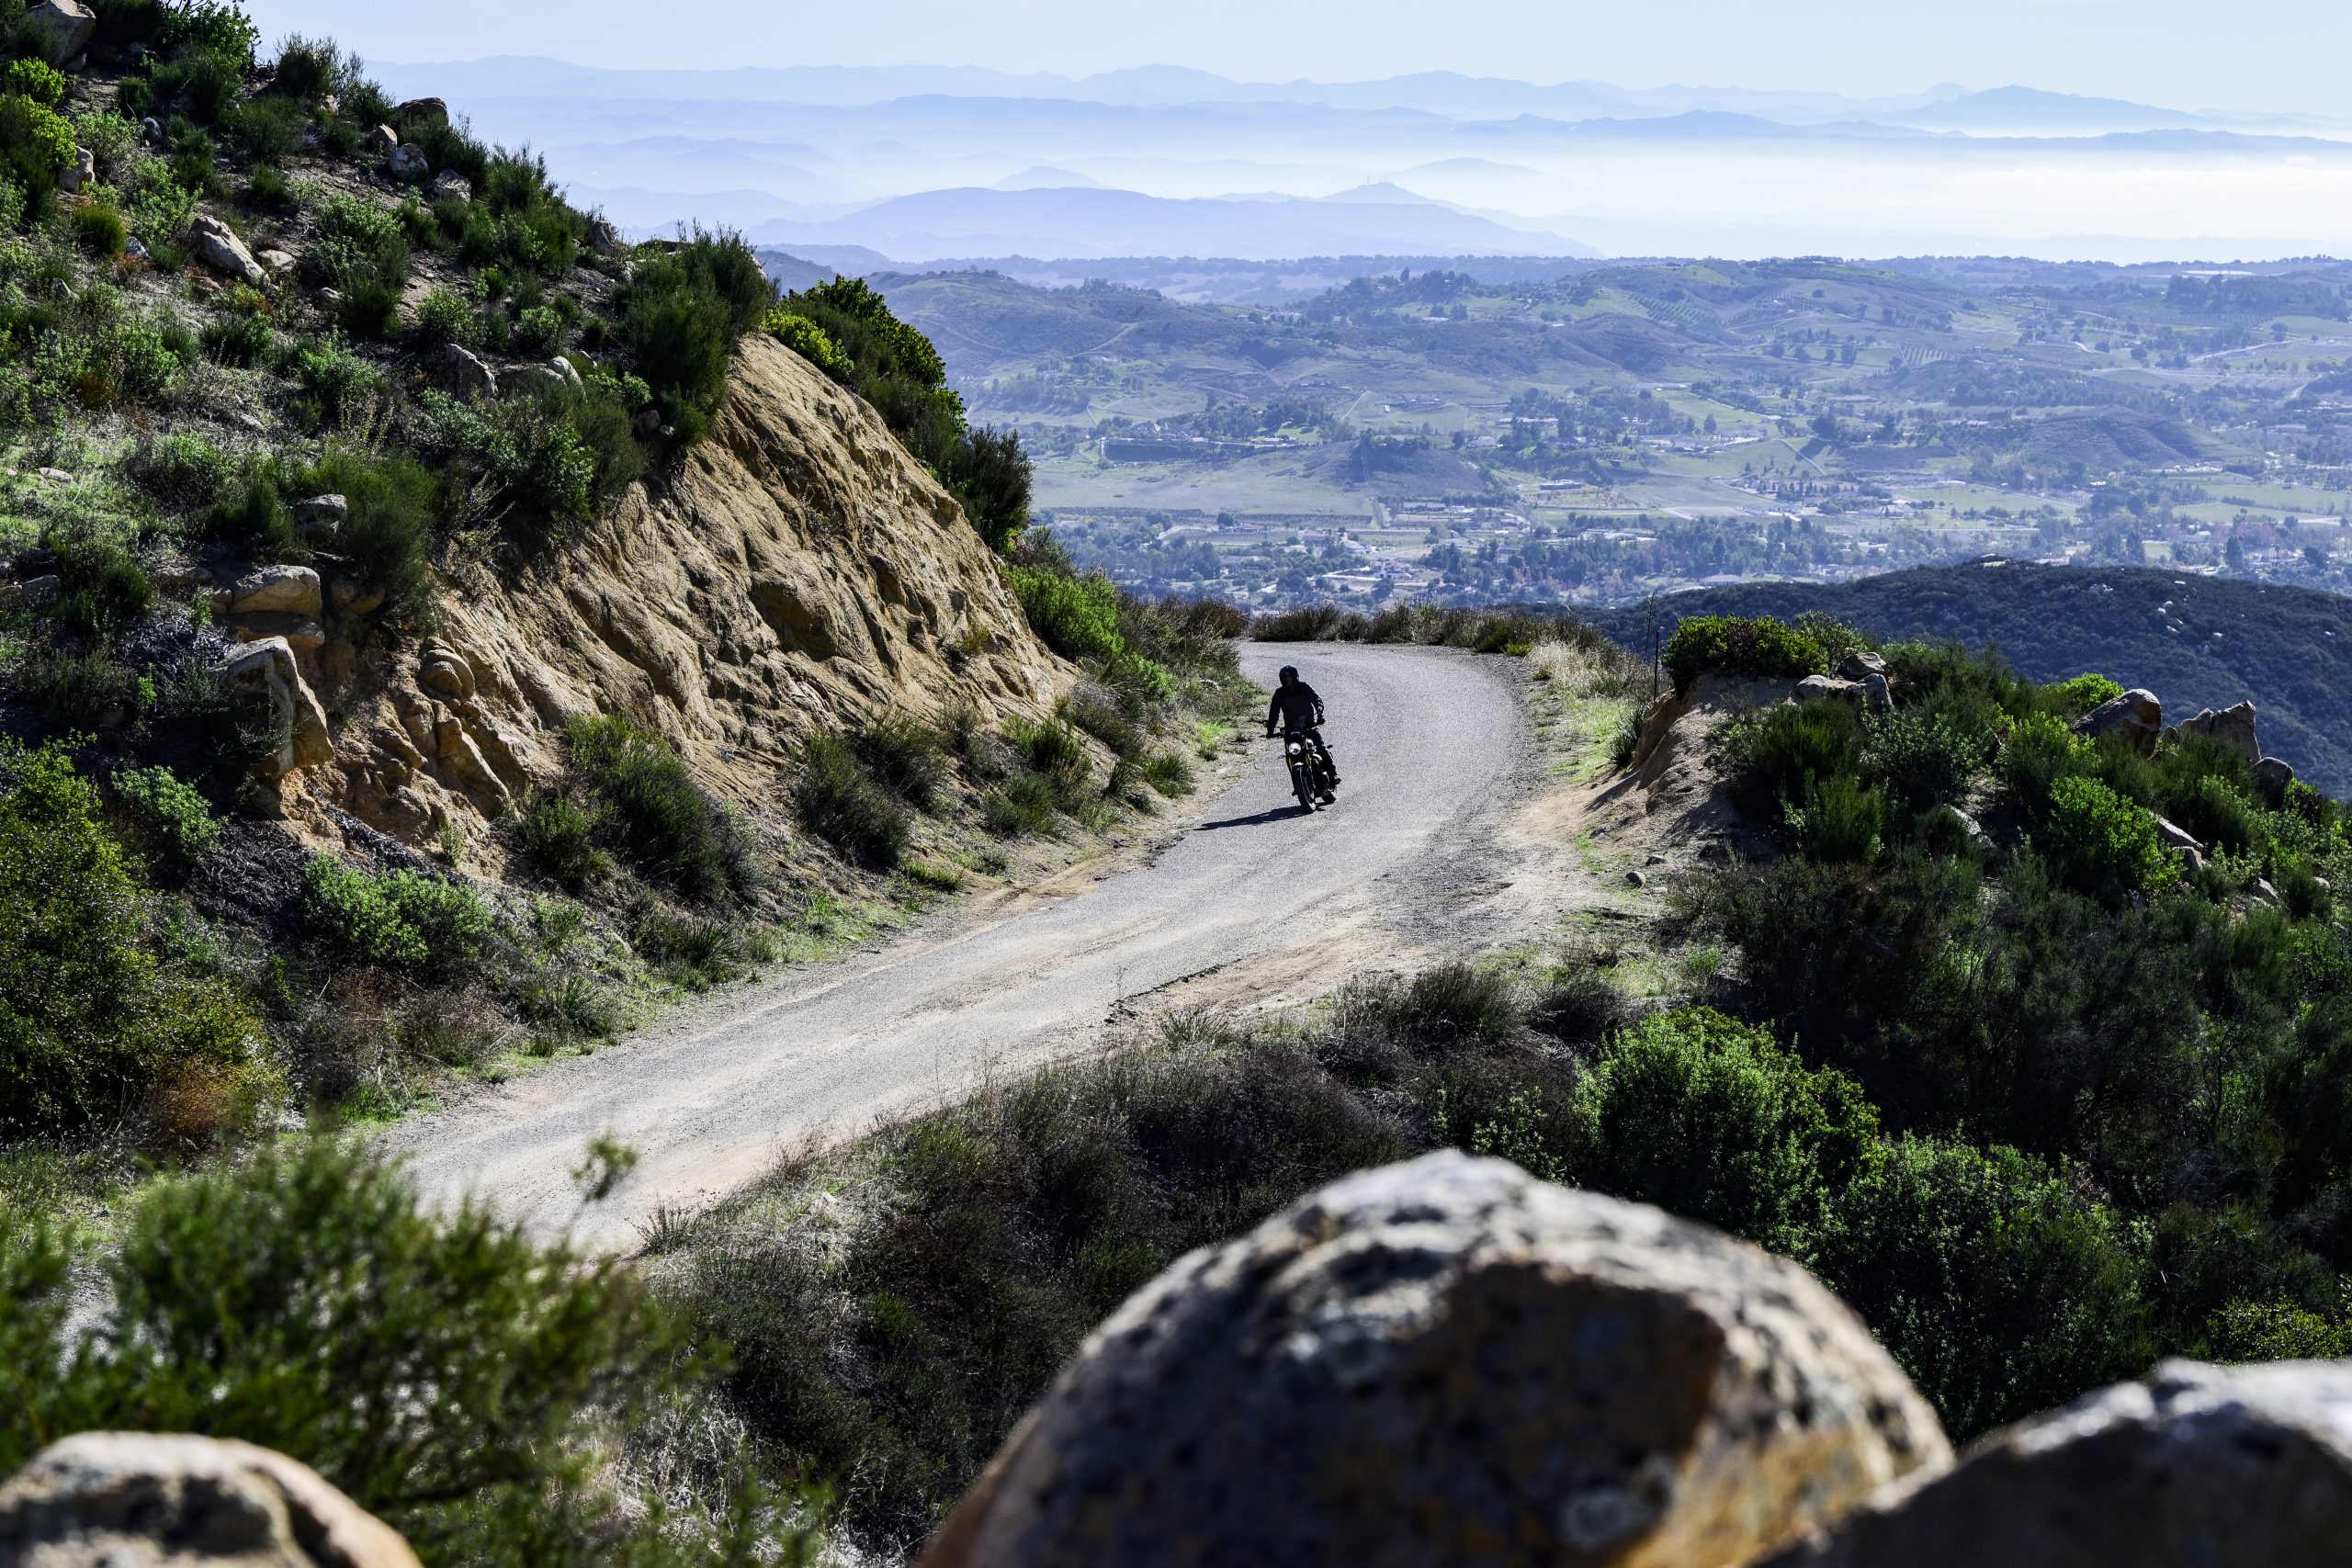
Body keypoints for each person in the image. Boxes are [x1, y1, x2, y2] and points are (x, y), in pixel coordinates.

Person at [1264, 665, 1339, 784]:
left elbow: (1316, 699)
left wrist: (1320, 714)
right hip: (1291, 731)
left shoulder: (1304, 687)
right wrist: (1270, 731)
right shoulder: (1279, 693)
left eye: (1290, 677)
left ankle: (1333, 774)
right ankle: (1297, 782)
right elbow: (1274, 713)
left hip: (1309, 726)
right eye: (1285, 678)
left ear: (1296, 677)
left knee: (1320, 748)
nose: (1288, 680)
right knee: (1290, 754)